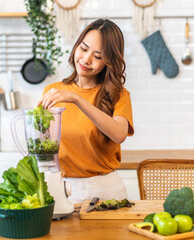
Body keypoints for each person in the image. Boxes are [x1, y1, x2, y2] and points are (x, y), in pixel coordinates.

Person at [37, 19, 134, 204]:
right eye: (83, 48)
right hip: (62, 189)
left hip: (106, 191)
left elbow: (120, 134)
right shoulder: (53, 91)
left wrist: (77, 99)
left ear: (109, 61)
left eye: (98, 56)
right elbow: (45, 145)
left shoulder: (118, 95)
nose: (86, 59)